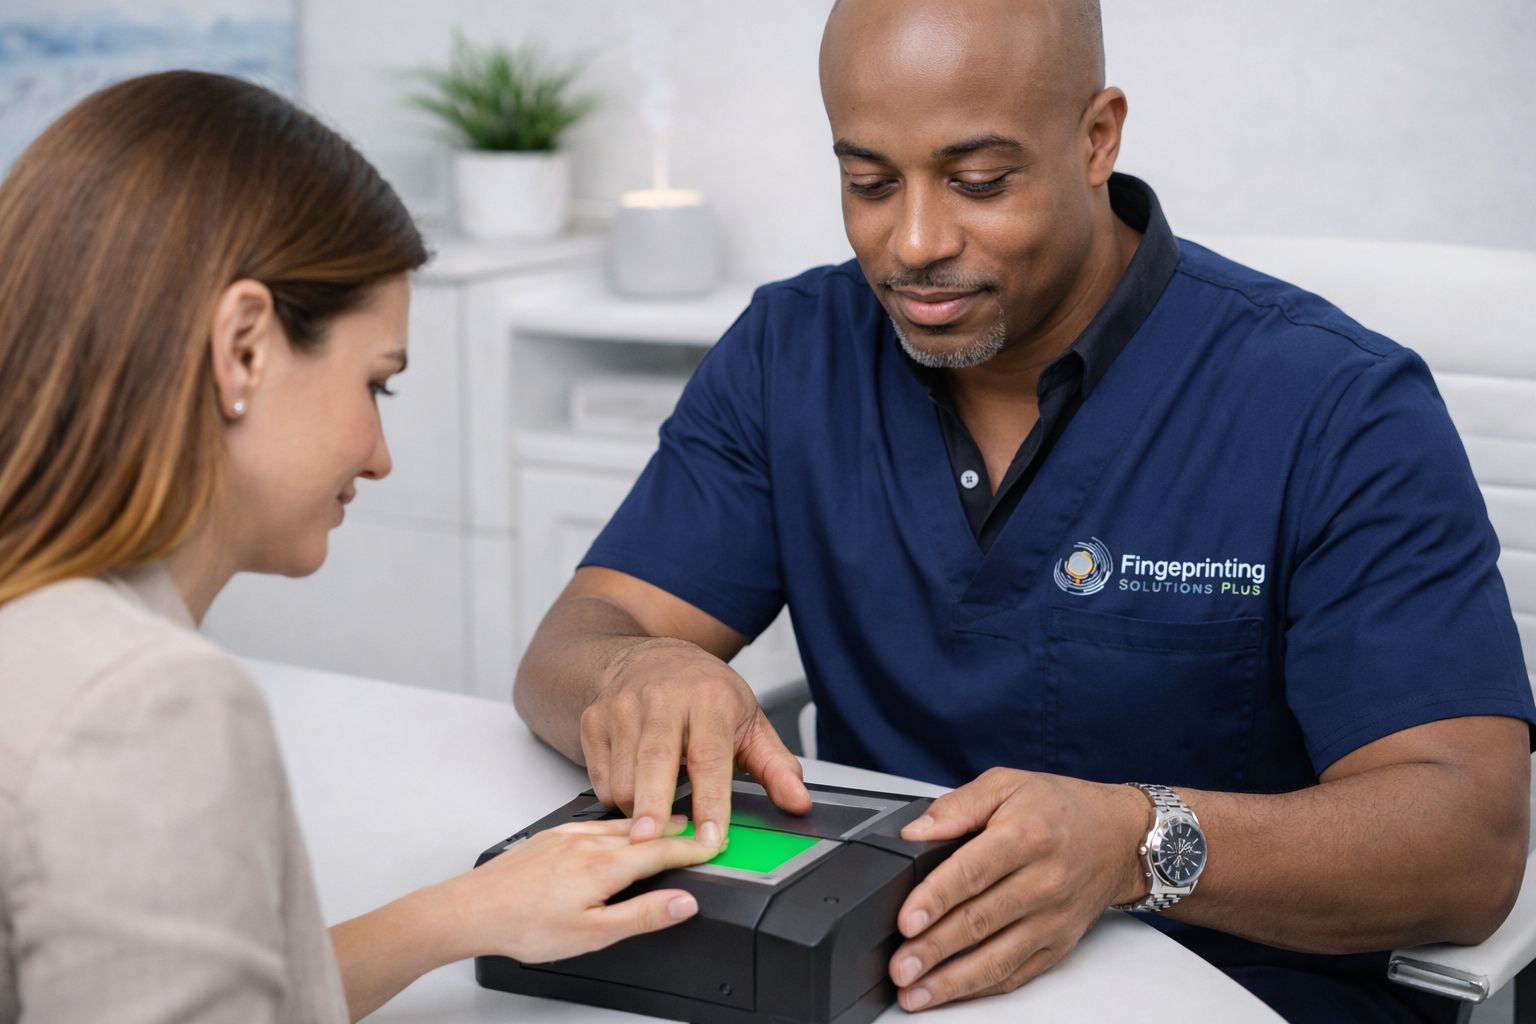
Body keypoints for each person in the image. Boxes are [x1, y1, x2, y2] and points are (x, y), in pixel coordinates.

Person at [513, 2, 1536, 1022]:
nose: (912, 241)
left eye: (979, 181)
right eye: (868, 181)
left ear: (1098, 138)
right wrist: (635, 669)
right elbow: (576, 644)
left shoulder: (1334, 406)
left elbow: (1466, 844)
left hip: (1235, 991)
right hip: (875, 976)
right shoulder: (794, 353)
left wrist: (1133, 843)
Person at [0, 71, 716, 1024]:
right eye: (378, 385)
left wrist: (458, 915)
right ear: (244, 348)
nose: (379, 458)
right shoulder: (147, 705)